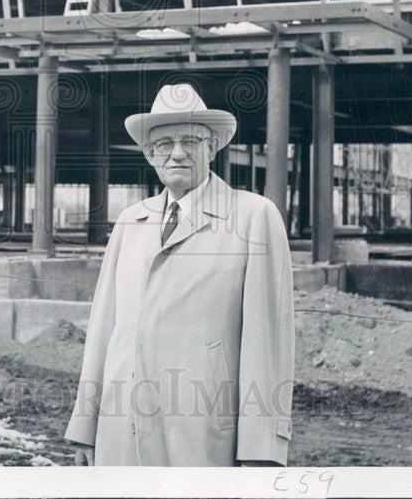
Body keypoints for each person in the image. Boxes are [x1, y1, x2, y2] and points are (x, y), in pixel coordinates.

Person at [65, 83, 295, 466]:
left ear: (212, 148)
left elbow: (267, 340)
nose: (177, 152)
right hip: (123, 431)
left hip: (202, 433)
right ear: (149, 154)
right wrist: (86, 426)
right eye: (164, 143)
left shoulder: (253, 217)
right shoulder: (130, 221)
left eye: (191, 140)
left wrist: (260, 449)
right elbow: (104, 330)